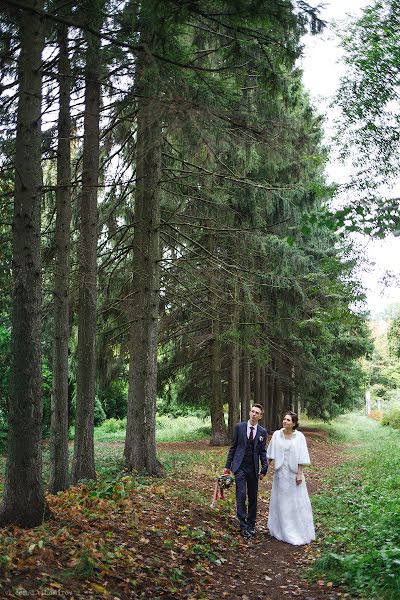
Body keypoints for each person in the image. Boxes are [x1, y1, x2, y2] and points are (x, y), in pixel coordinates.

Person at [266, 411, 315, 545]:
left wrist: (299, 473)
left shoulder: (299, 437)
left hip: (294, 474)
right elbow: (270, 454)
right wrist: (264, 468)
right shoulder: (277, 435)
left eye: (288, 420)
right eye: (284, 419)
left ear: (293, 423)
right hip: (280, 473)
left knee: (294, 500)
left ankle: (296, 529)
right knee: (281, 500)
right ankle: (280, 529)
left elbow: (301, 456)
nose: (285, 422)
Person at [224, 404, 268, 539]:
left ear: (260, 416)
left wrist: (264, 467)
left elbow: (262, 451)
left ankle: (251, 525)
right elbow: (233, 447)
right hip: (240, 467)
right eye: (252, 411)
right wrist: (227, 466)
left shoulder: (262, 432)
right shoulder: (239, 427)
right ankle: (243, 525)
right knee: (241, 495)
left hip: (253, 468)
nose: (254, 414)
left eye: (257, 413)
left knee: (253, 497)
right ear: (250, 413)